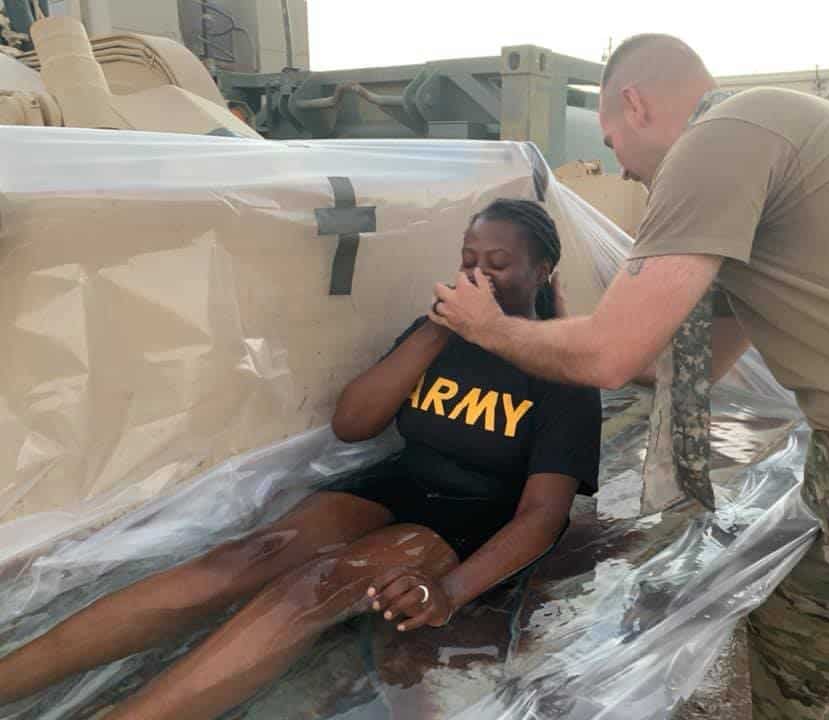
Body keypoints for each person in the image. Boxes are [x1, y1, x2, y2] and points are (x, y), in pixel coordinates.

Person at [432, 34, 829, 719]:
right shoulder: (763, 157)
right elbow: (674, 364)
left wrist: (490, 328)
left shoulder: (724, 138)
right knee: (795, 643)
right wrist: (555, 331)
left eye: (613, 144)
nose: (620, 170)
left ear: (634, 105)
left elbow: (610, 355)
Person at [0, 199, 601, 720]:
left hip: (473, 515)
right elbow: (353, 423)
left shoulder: (563, 369)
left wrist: (449, 590)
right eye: (469, 259)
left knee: (310, 589)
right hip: (399, 482)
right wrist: (440, 332)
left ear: (542, 270)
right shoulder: (434, 333)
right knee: (245, 556)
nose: (478, 274)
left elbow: (542, 518)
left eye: (498, 264)